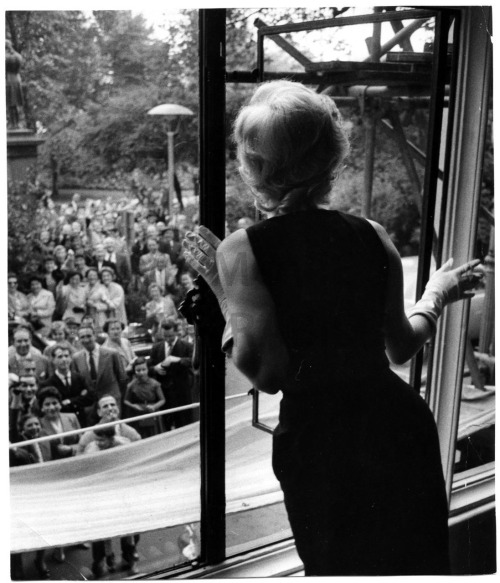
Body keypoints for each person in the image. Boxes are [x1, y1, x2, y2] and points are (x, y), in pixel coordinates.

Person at [182, 80, 484, 576]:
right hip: (400, 428)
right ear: (331, 158)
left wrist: (220, 286)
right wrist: (437, 293)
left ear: (254, 166)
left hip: (324, 447)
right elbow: (401, 348)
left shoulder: (239, 250)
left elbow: (268, 372)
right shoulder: (373, 235)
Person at [72, 325, 127, 415]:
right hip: (90, 404)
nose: (86, 340)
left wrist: (117, 395)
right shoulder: (76, 358)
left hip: (111, 399)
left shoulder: (111, 353)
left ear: (94, 336)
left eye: (89, 336)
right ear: (79, 339)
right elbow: (77, 383)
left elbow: (122, 378)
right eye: (82, 337)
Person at [149, 320, 194, 429]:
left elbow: (194, 362)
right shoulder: (156, 347)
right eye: (165, 336)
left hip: (182, 391)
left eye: (170, 336)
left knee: (185, 422)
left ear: (176, 332)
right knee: (167, 423)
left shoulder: (186, 346)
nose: (168, 339)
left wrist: (177, 359)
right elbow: (148, 367)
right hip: (164, 393)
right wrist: (155, 369)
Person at [41, 343, 94, 426]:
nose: (64, 359)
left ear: (70, 358)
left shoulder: (80, 378)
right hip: (62, 422)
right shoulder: (48, 383)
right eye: (60, 357)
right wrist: (79, 399)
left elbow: (90, 398)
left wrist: (69, 401)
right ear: (53, 360)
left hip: (82, 420)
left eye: (66, 356)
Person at [124, 357, 165, 438]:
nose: (141, 373)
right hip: (138, 413)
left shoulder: (155, 383)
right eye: (138, 371)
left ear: (148, 370)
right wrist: (134, 406)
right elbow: (126, 400)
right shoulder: (131, 385)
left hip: (152, 413)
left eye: (144, 369)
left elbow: (162, 400)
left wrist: (154, 406)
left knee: (155, 435)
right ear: (134, 371)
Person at [85, 268, 110, 332]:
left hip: (99, 315)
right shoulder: (84, 288)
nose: (92, 277)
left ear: (98, 277)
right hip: (87, 316)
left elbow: (107, 305)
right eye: (90, 275)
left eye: (94, 275)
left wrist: (94, 305)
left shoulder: (102, 288)